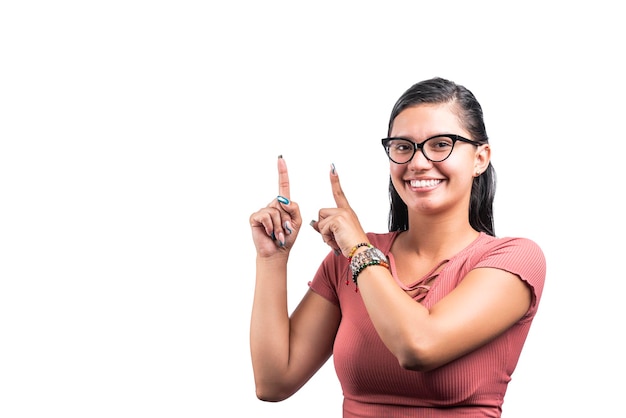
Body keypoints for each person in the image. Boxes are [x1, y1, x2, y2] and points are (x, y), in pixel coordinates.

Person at [248, 77, 546, 417]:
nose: (418, 162)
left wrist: (360, 250)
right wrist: (272, 259)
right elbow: (273, 382)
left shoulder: (513, 258)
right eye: (403, 147)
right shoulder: (347, 261)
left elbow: (418, 346)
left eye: (440, 144)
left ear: (480, 157)